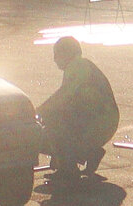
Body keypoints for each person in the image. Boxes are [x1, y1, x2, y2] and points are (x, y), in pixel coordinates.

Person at [37, 36, 119, 182]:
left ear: (67, 53)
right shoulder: (79, 66)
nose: (55, 59)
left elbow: (63, 96)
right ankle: (88, 153)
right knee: (51, 128)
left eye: (57, 54)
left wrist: (39, 111)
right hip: (100, 120)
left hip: (99, 122)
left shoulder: (78, 66)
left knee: (49, 124)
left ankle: (69, 170)